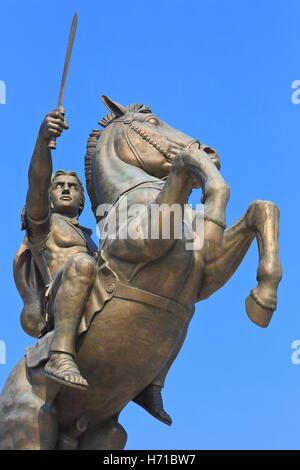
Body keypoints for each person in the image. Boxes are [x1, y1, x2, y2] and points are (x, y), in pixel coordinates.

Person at [22, 106, 97, 391]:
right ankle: (60, 355)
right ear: (50, 198)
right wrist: (43, 141)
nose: (66, 189)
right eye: (59, 186)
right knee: (82, 264)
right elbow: (37, 181)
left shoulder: (92, 239)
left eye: (72, 187)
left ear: (81, 201)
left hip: (90, 294)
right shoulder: (44, 224)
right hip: (58, 299)